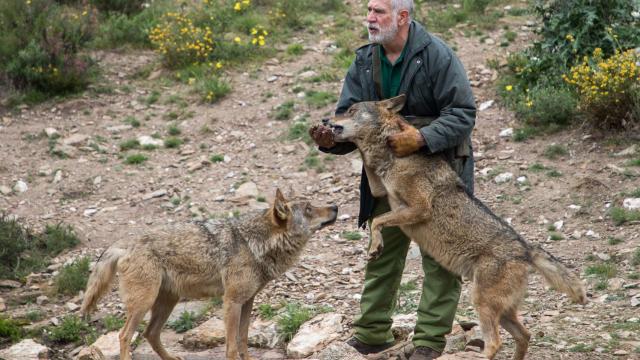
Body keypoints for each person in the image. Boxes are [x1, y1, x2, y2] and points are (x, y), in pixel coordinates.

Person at [308, 1, 476, 359]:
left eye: (379, 11)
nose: (370, 18)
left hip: (438, 174)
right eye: (368, 10)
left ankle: (429, 342)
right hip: (386, 175)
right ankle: (371, 333)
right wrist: (330, 139)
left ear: (402, 16)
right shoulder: (365, 60)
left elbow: (463, 113)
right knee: (381, 254)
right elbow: (350, 121)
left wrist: (422, 138)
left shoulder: (436, 55)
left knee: (441, 258)